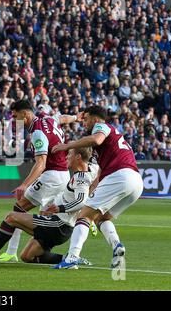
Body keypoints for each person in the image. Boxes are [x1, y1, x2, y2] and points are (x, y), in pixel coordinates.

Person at [0, 100, 82, 264]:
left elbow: (41, 163)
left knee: (19, 208)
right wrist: (75, 117)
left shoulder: (37, 132)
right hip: (63, 175)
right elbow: (62, 118)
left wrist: (24, 185)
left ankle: (0, 253)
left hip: (52, 175)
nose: (13, 120)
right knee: (46, 216)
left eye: (15, 116)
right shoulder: (47, 119)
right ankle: (59, 255)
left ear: (25, 114)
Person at [52, 106, 143, 269]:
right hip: (136, 182)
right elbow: (99, 175)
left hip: (119, 176)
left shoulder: (101, 127)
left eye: (86, 119)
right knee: (101, 218)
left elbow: (96, 139)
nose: (84, 123)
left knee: (84, 216)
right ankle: (117, 246)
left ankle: (72, 257)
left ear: (95, 119)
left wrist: (68, 145)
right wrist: (91, 194)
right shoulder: (111, 141)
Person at [0, 147, 98, 266]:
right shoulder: (85, 173)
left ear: (78, 157)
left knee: (11, 218)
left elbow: (81, 201)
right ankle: (69, 258)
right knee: (27, 256)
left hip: (59, 225)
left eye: (69, 154)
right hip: (61, 227)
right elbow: (98, 169)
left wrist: (60, 208)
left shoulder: (81, 178)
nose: (66, 157)